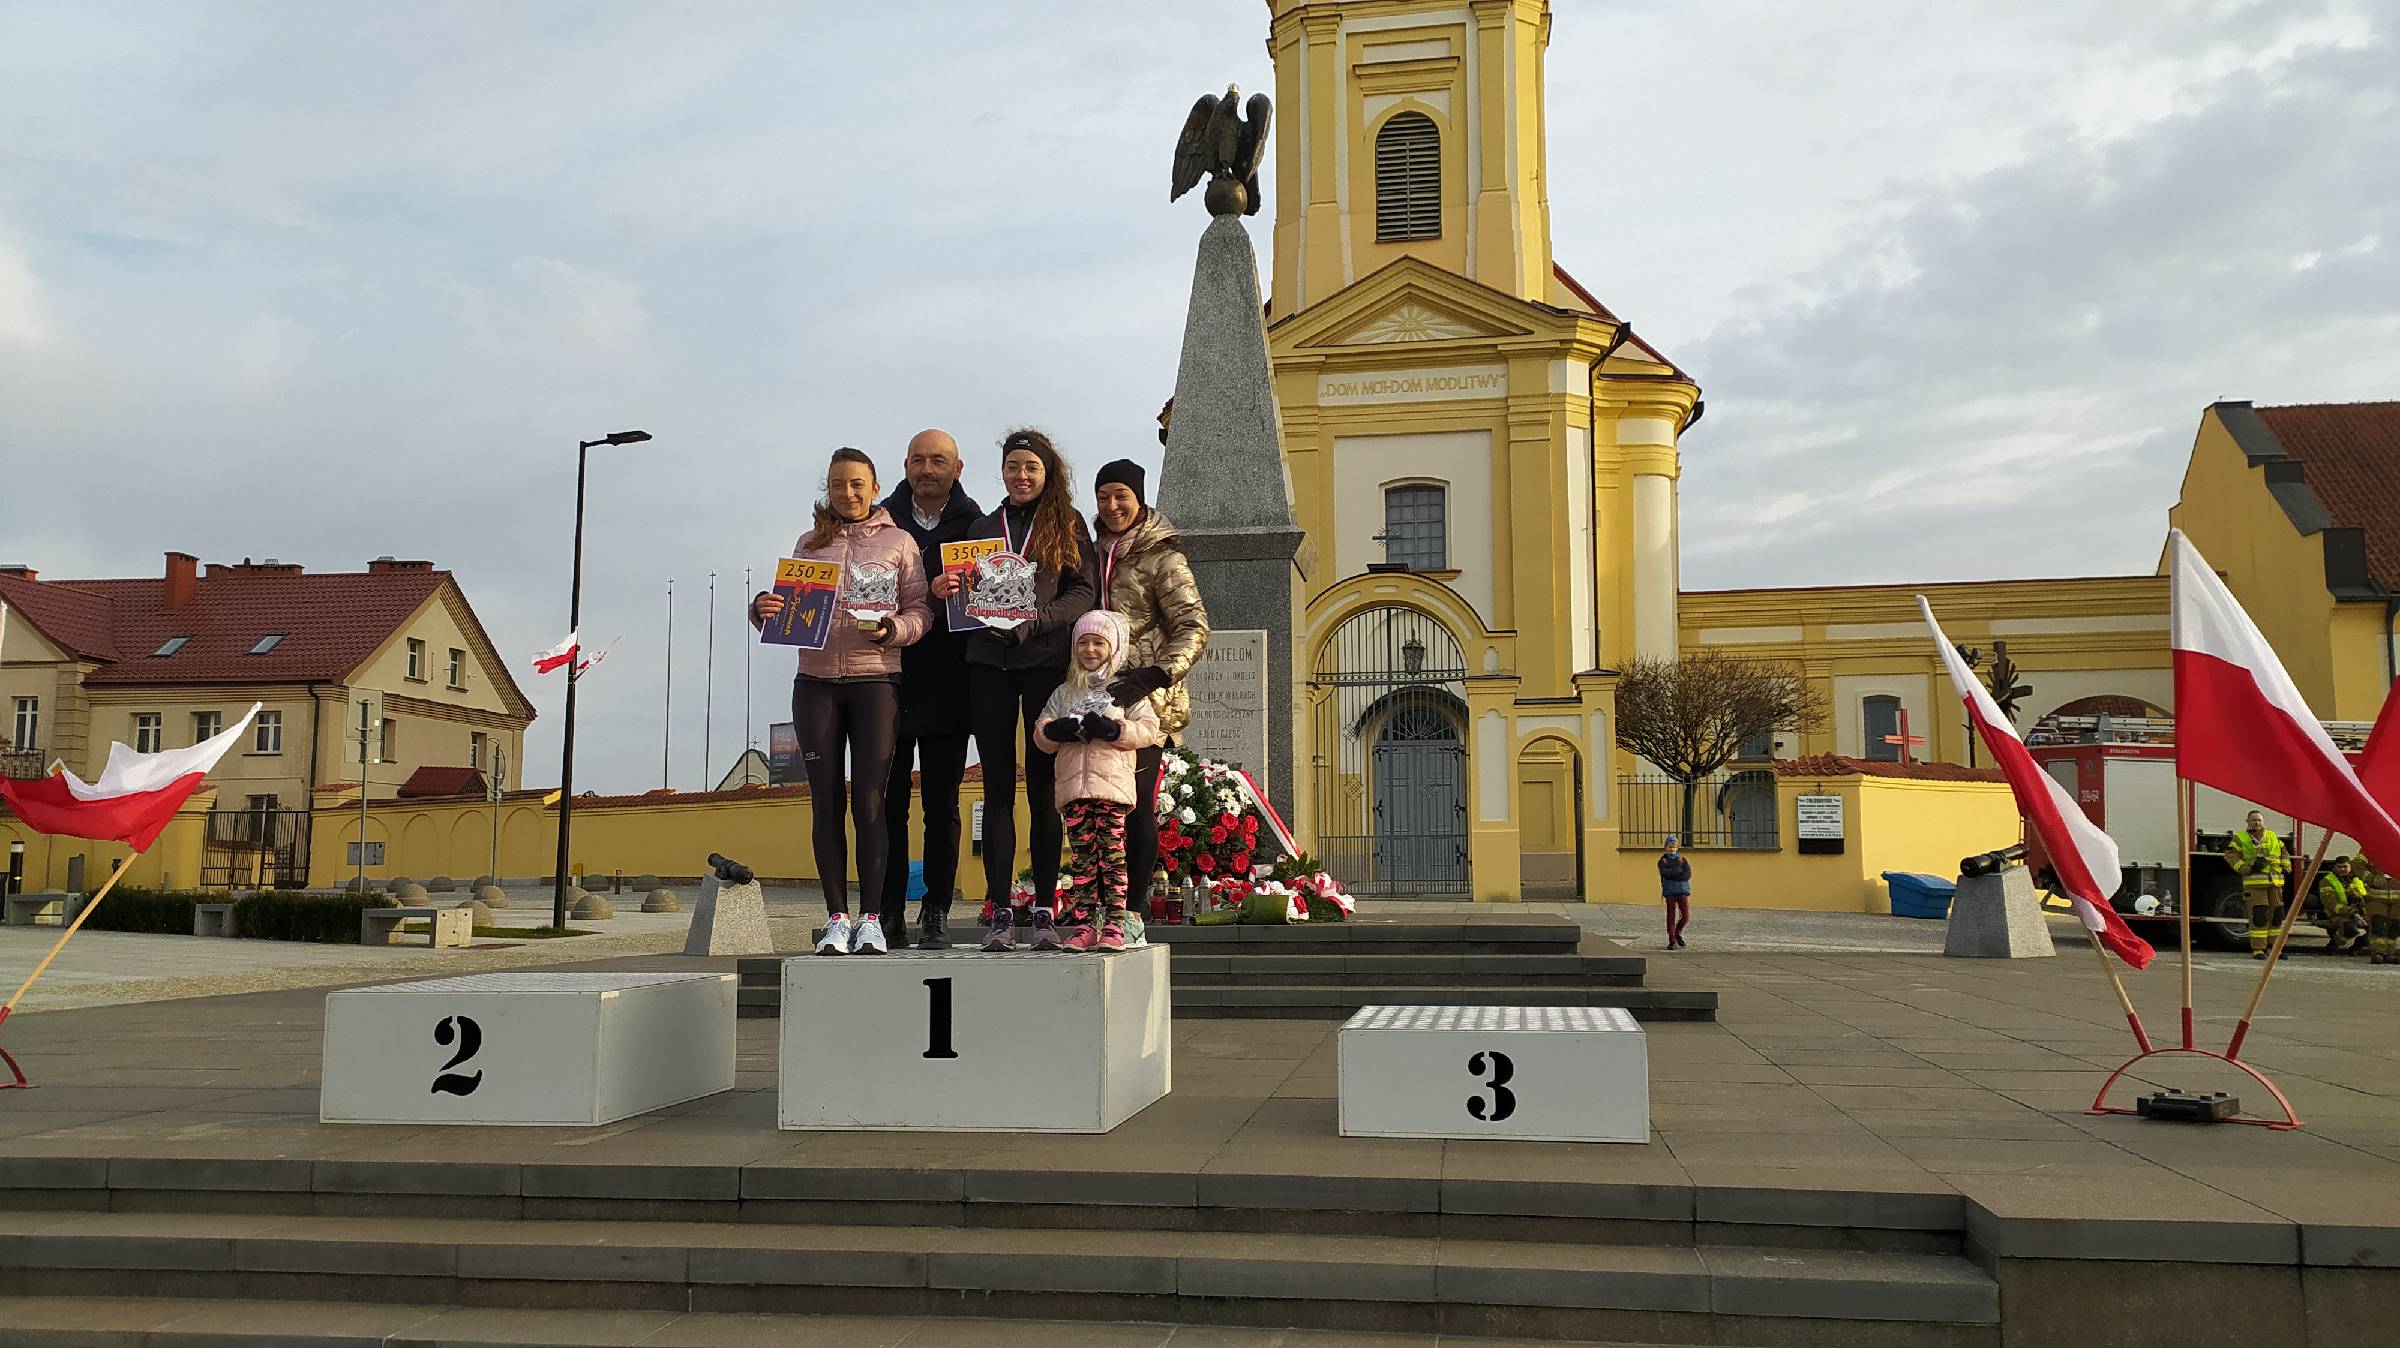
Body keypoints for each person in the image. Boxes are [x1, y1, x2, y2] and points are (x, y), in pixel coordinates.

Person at [750, 447, 930, 956]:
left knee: (870, 802)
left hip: (877, 682)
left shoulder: (900, 542)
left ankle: (871, 918)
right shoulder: (810, 543)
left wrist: (895, 629)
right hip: (816, 682)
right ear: (826, 489)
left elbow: (921, 611)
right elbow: (788, 611)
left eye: (856, 484)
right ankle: (836, 918)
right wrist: (763, 609)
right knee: (824, 801)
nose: (847, 494)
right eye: (837, 485)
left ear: (875, 487)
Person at [936, 428, 1095, 952]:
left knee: (1045, 790)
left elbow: (1083, 593)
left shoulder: (1067, 525)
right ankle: (1001, 910)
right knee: (998, 789)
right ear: (1001, 472)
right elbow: (957, 606)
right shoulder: (984, 527)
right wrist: (947, 592)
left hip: (1044, 665)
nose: (1021, 476)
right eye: (1012, 468)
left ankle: (1046, 909)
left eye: (1031, 468)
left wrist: (1036, 622)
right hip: (987, 667)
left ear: (1048, 473)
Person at [1090, 458, 1210, 942]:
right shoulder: (1085, 549)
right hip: (1090, 695)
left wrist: (1156, 674)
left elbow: (1193, 624)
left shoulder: (1164, 557)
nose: (1113, 505)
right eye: (1104, 497)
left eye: (1122, 495)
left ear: (1139, 500)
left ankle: (1133, 910)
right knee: (1093, 807)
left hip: (1143, 701)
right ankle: (1097, 906)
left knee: (1135, 807)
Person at [878, 429, 983, 949]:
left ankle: (936, 910)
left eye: (937, 460)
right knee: (886, 806)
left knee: (942, 806)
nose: (927, 468)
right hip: (885, 681)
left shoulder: (980, 527)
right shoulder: (877, 522)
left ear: (957, 468)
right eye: (918, 459)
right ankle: (887, 912)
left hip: (949, 682)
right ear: (905, 465)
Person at [1033, 611, 1161, 952]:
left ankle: (1116, 924)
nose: (1089, 650)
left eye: (1098, 643)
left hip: (1112, 788)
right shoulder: (1065, 691)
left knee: (1112, 856)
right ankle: (1086, 924)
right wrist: (1054, 729)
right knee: (1083, 860)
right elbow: (1042, 734)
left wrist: (1115, 729)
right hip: (1074, 788)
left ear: (1114, 649)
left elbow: (1149, 729)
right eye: (1083, 643)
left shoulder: (1125, 689)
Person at [2224, 809, 2289, 959]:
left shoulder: (2272, 836)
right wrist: (2248, 868)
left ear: (2263, 822)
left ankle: (2274, 948)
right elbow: (2230, 855)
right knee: (2259, 916)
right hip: (2255, 884)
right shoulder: (2240, 838)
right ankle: (2258, 949)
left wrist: (2286, 867)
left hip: (2275, 882)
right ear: (2247, 822)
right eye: (2253, 820)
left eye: (2259, 820)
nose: (2257, 823)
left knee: (2277, 916)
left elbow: (2284, 851)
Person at [2317, 855, 2365, 954]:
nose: (2342, 869)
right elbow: (2331, 903)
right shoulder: (2327, 881)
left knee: (2377, 927)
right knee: (2349, 927)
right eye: (2339, 867)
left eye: (2345, 867)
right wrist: (2353, 914)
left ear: (2350, 867)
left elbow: (2365, 897)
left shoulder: (2356, 880)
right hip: (2337, 914)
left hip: (2359, 913)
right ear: (2335, 867)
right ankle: (2332, 946)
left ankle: (2358, 945)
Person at [2364, 857, 2400, 966]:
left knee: (2395, 927)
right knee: (2378, 924)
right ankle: (2378, 952)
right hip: (2376, 899)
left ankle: (2389, 953)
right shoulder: (2370, 850)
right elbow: (2357, 864)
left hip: (2398, 901)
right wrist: (2372, 878)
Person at [1658, 837, 1692, 950]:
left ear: (1677, 848)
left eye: (1674, 847)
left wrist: (1674, 873)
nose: (1672, 849)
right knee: (1671, 916)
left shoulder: (1683, 860)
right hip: (1670, 891)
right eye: (1670, 847)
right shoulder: (1663, 861)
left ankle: (1678, 932)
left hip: (1683, 890)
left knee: (1685, 916)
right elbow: (1665, 873)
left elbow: (1687, 875)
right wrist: (1677, 872)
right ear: (1666, 848)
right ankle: (1672, 940)